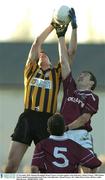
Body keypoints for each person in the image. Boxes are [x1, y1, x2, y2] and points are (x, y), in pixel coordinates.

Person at [4, 9, 77, 173]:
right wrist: (53, 24)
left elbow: (70, 54)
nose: (42, 54)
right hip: (28, 117)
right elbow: (37, 42)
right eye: (40, 54)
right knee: (11, 166)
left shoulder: (56, 73)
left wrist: (65, 33)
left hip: (47, 121)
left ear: (51, 61)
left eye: (45, 54)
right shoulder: (30, 71)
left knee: (44, 168)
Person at [54, 8, 100, 173]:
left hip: (79, 134)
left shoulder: (92, 96)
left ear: (91, 83)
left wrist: (66, 127)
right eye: (80, 74)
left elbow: (84, 119)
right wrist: (61, 36)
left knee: (87, 172)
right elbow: (64, 61)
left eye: (85, 75)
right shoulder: (70, 89)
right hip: (64, 136)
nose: (80, 75)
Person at [31, 113, 101, 173]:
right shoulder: (74, 146)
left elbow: (34, 168)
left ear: (48, 130)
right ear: (64, 128)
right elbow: (95, 163)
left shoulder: (41, 145)